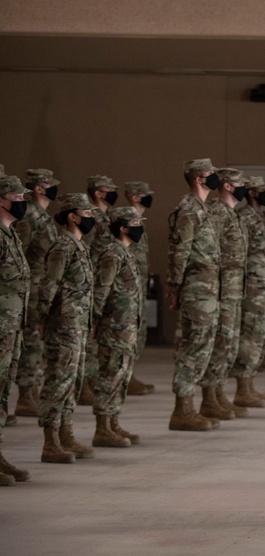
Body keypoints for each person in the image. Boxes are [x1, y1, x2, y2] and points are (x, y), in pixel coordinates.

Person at [37, 193, 99, 464]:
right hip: (63, 325)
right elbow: (49, 286)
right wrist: (41, 319)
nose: (91, 219)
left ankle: (66, 433)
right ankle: (50, 441)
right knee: (58, 380)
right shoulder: (63, 246)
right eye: (86, 214)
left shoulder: (79, 246)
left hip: (77, 325)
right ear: (72, 216)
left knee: (73, 381)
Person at [167, 158, 222, 431]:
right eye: (210, 173)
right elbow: (180, 251)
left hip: (208, 287)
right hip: (197, 287)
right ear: (199, 179)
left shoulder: (203, 209)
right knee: (193, 346)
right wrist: (175, 286)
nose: (214, 177)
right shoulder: (189, 209)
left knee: (203, 345)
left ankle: (190, 405)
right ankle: (182, 409)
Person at [91, 207, 144, 448]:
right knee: (109, 375)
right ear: (122, 228)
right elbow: (101, 291)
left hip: (127, 326)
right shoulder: (112, 253)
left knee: (121, 375)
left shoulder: (126, 252)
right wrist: (94, 321)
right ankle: (102, 427)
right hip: (114, 326)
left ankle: (113, 422)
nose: (138, 226)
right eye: (134, 222)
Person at [14, 168, 60, 419]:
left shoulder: (43, 215)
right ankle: (25, 394)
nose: (54, 188)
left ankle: (32, 390)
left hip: (43, 287)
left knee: (38, 339)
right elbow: (19, 252)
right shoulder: (30, 216)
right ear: (39, 188)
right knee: (31, 339)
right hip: (32, 288)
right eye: (50, 184)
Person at [202, 168, 249, 420]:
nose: (243, 187)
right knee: (220, 343)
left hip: (234, 290)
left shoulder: (232, 213)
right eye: (240, 183)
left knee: (228, 345)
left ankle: (219, 393)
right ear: (228, 186)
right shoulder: (218, 212)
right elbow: (212, 252)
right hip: (222, 291)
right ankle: (210, 396)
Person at [231, 175, 265, 407]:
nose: (264, 194)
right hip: (251, 287)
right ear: (251, 193)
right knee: (249, 337)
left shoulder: (259, 217)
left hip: (263, 287)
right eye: (260, 190)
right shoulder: (245, 217)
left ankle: (250, 385)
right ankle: (242, 387)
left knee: (259, 337)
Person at [0, 175, 32, 484]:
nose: (21, 202)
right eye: (16, 197)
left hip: (12, 327)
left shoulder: (11, 235)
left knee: (3, 391)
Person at [79, 175, 120, 407]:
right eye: (108, 189)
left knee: (99, 336)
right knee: (88, 336)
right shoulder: (92, 216)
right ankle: (84, 383)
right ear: (98, 192)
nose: (113, 192)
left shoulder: (104, 216)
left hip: (105, 280)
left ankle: (93, 380)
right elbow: (87, 248)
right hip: (94, 280)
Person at [122, 181, 156, 395]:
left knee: (138, 332)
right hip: (128, 286)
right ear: (135, 196)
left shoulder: (138, 223)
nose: (149, 197)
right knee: (127, 333)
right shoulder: (125, 221)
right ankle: (124, 377)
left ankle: (129, 374)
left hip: (139, 284)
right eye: (145, 194)